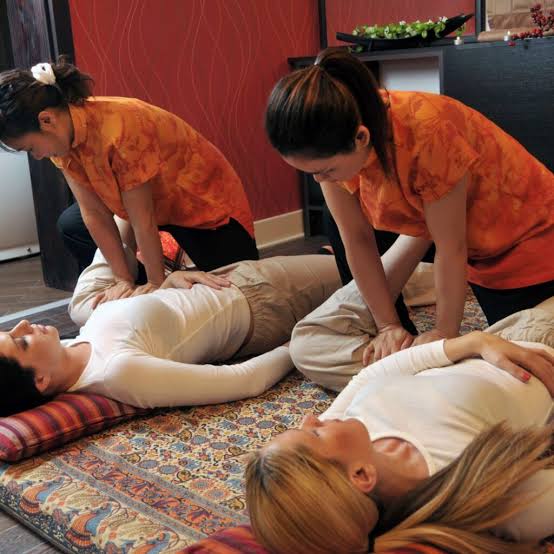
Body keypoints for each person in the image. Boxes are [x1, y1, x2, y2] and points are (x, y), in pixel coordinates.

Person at [265, 47, 554, 364]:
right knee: (312, 341)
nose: (319, 180)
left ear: (361, 138)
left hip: (525, 237)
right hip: (442, 234)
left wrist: (444, 334)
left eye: (326, 170)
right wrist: (387, 326)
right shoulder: (334, 138)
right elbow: (356, 239)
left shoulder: (429, 132)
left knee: (526, 354)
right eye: (309, 172)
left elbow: (452, 248)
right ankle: (416, 336)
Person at [245, 299, 554, 554]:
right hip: (543, 348)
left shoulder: (349, 434)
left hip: (494, 337)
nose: (311, 418)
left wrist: (477, 342)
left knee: (308, 342)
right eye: (314, 434)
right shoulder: (470, 483)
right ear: (361, 475)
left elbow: (370, 375)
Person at [0, 59, 258, 307]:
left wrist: (157, 284)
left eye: (30, 148)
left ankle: (160, 277)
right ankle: (146, 280)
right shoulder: (59, 141)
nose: (36, 156)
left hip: (203, 207)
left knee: (240, 289)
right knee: (72, 225)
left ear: (46, 120)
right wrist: (122, 279)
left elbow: (143, 217)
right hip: (146, 206)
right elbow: (93, 213)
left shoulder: (121, 127)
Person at [0, 249, 341, 416]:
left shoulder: (75, 344)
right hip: (267, 301)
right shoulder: (117, 371)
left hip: (227, 278)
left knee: (345, 253)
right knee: (361, 261)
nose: (24, 325)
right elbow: (245, 380)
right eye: (21, 341)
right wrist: (294, 343)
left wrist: (166, 284)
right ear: (41, 380)